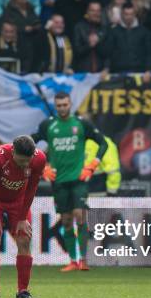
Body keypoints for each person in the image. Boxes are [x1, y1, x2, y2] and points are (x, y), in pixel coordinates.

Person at [32, 92, 107, 272]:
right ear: (55, 106)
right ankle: (72, 261)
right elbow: (29, 144)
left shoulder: (81, 124)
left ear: (70, 104)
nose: (62, 108)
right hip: (58, 182)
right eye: (59, 105)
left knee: (80, 217)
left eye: (65, 105)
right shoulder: (48, 125)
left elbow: (103, 143)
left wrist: (91, 166)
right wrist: (42, 168)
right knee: (66, 221)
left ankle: (83, 260)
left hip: (78, 180)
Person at [0, 135, 46, 298]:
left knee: (24, 239)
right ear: (13, 152)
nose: (25, 165)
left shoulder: (39, 159)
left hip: (19, 201)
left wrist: (23, 217)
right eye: (21, 161)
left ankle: (23, 291)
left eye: (28, 161)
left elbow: (31, 189)